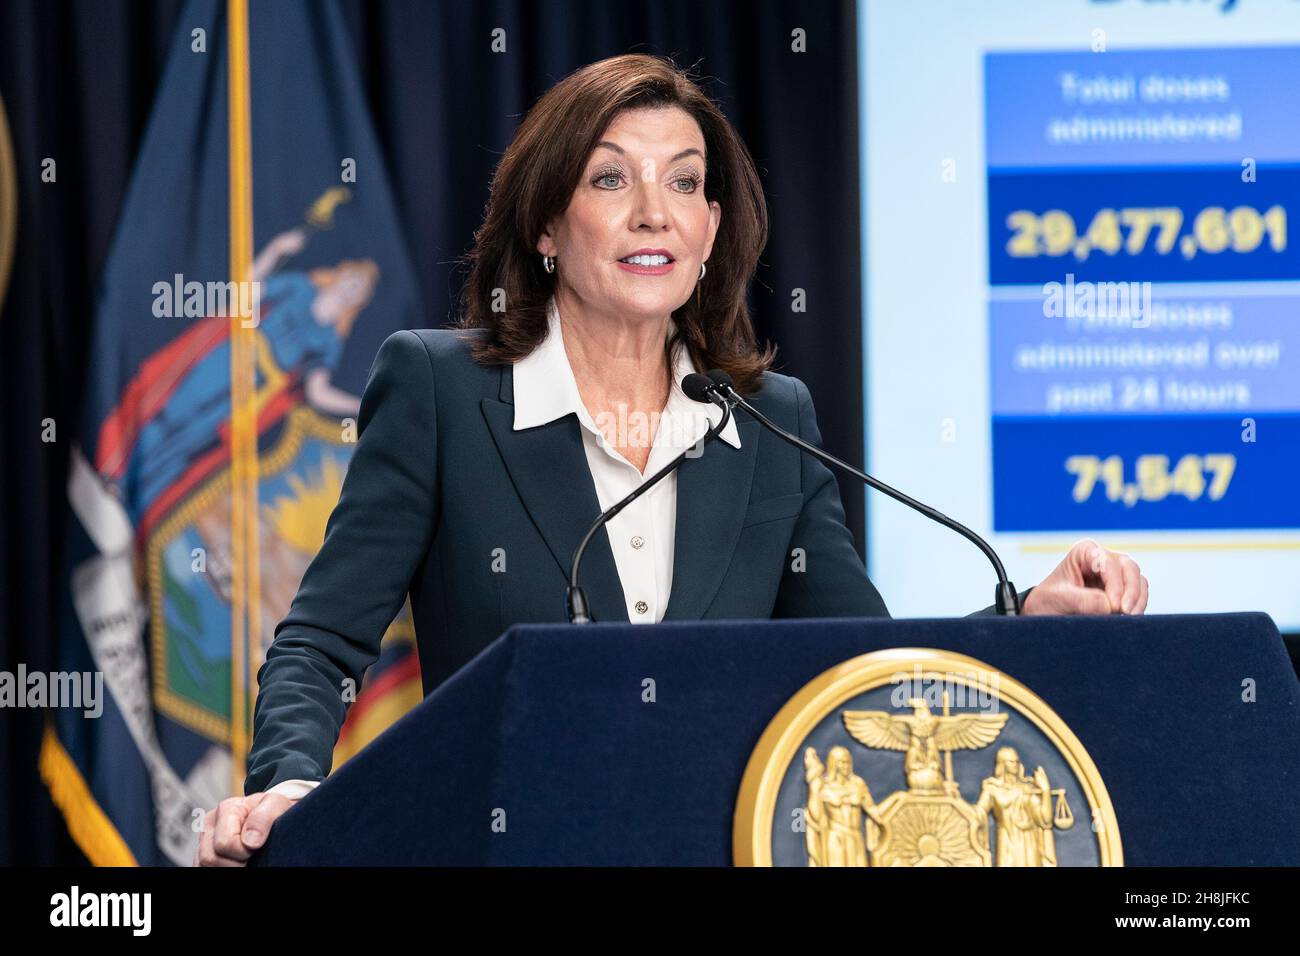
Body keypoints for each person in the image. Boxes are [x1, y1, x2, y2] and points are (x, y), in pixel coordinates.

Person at [197, 54, 1148, 866]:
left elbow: (866, 670)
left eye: (685, 183)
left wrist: (1028, 616)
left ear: (711, 231)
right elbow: (319, 646)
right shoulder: (441, 392)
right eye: (611, 180)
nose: (655, 212)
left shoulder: (769, 421)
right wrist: (289, 787)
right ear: (544, 226)